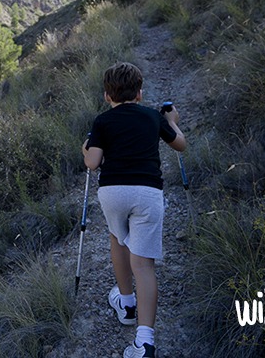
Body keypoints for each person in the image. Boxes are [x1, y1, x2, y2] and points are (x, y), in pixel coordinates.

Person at [82, 62, 186, 358]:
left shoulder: (102, 121)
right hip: (147, 191)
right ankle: (145, 342)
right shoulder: (154, 117)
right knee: (144, 265)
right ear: (140, 93)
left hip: (113, 191)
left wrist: (85, 148)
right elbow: (180, 145)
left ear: (106, 95)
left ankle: (126, 303)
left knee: (117, 238)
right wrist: (173, 121)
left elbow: (93, 162)